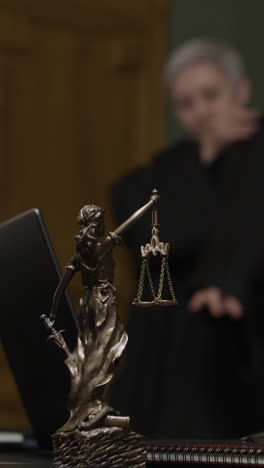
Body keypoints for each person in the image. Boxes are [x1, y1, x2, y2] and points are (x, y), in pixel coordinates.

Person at [110, 39, 264, 440]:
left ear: (241, 90)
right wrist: (210, 153)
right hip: (160, 363)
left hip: (236, 362)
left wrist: (232, 279)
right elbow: (153, 238)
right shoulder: (171, 167)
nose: (201, 112)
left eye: (211, 95)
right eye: (186, 103)